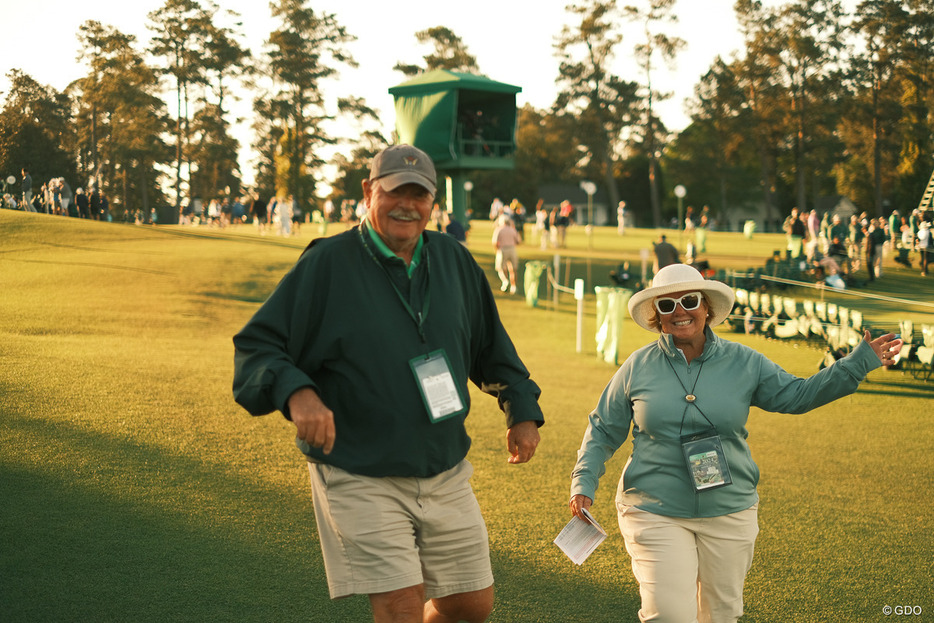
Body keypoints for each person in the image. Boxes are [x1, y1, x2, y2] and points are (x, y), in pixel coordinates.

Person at [232, 144, 544, 623]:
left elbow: (490, 347)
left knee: (470, 605)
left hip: (442, 464)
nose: (408, 205)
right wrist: (299, 392)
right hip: (360, 468)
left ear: (433, 201)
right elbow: (258, 345)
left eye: (420, 195)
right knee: (401, 603)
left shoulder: (454, 261)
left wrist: (521, 408)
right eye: (397, 191)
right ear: (369, 192)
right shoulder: (327, 264)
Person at [568, 263, 901, 623]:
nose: (679, 311)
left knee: (721, 615)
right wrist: (583, 482)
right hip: (653, 510)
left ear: (707, 306)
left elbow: (798, 395)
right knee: (668, 616)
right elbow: (602, 428)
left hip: (729, 511)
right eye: (667, 306)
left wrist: (855, 364)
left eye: (689, 300)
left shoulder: (746, 362)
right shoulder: (638, 366)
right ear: (657, 318)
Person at [492, 215, 521, 294]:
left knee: (501, 268)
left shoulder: (499, 230)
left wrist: (497, 249)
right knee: (513, 269)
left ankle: (505, 281)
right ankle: (513, 287)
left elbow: (495, 242)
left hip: (503, 249)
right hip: (512, 249)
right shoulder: (512, 229)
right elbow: (518, 241)